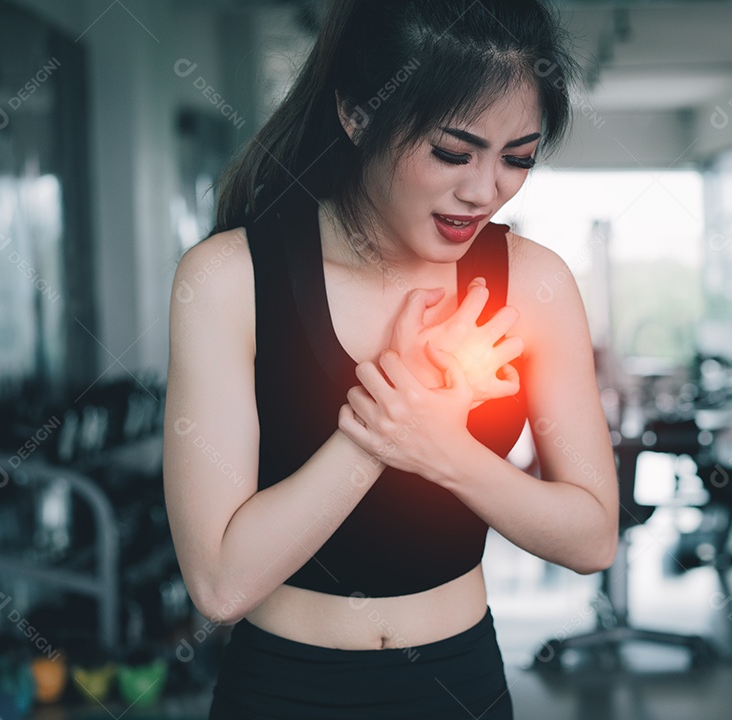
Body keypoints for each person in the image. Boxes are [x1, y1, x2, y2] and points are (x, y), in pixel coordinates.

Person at [162, 0, 618, 717]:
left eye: (518, 158)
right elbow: (221, 586)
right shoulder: (229, 280)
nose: (484, 190)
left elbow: (592, 536)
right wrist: (385, 422)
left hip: (459, 683)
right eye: (452, 152)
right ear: (358, 113)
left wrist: (443, 448)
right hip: (282, 689)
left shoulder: (534, 283)